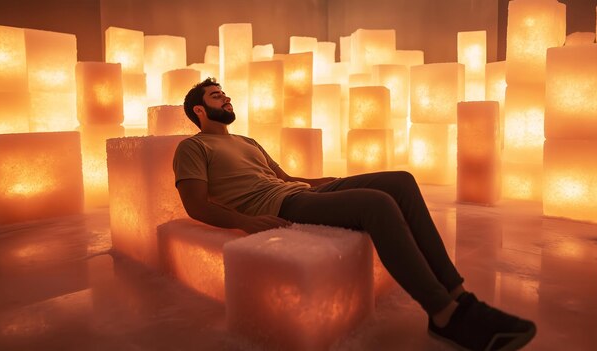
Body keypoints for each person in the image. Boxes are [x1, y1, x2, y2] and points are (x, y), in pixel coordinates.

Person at [172, 78, 536, 351]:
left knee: (400, 181)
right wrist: (245, 221)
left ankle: (457, 294)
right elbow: (196, 203)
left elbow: (286, 178)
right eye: (216, 95)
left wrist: (336, 181)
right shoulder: (192, 147)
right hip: (277, 205)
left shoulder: (247, 142)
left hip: (296, 191)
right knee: (375, 204)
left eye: (225, 93)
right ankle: (444, 313)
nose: (226, 97)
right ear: (199, 110)